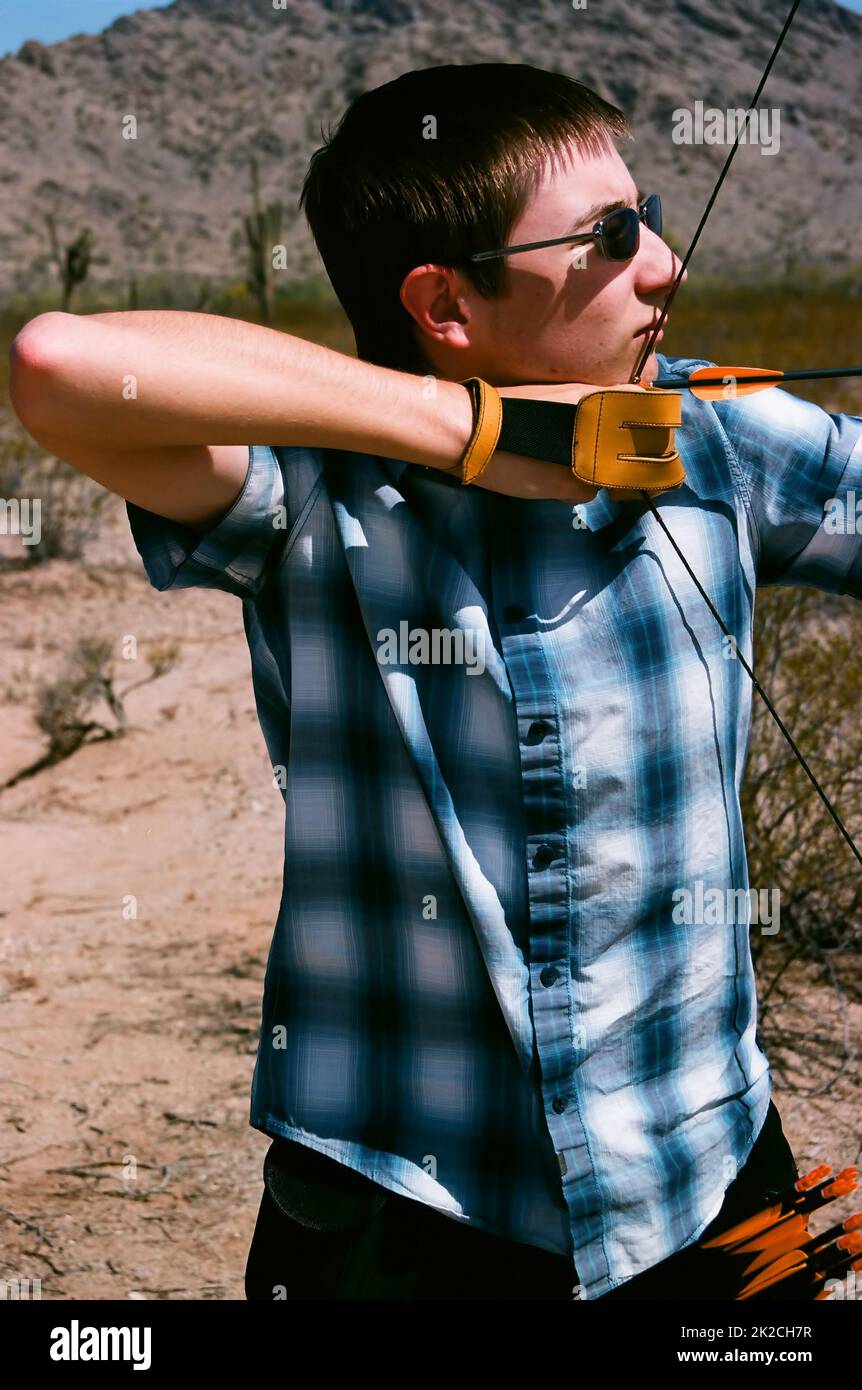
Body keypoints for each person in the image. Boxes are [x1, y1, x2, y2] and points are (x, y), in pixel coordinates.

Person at [9, 63, 860, 1301]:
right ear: (446, 304)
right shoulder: (314, 494)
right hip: (404, 1209)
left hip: (706, 1169)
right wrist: (473, 435)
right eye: (611, 238)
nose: (665, 264)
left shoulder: (710, 437)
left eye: (652, 214)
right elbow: (56, 361)